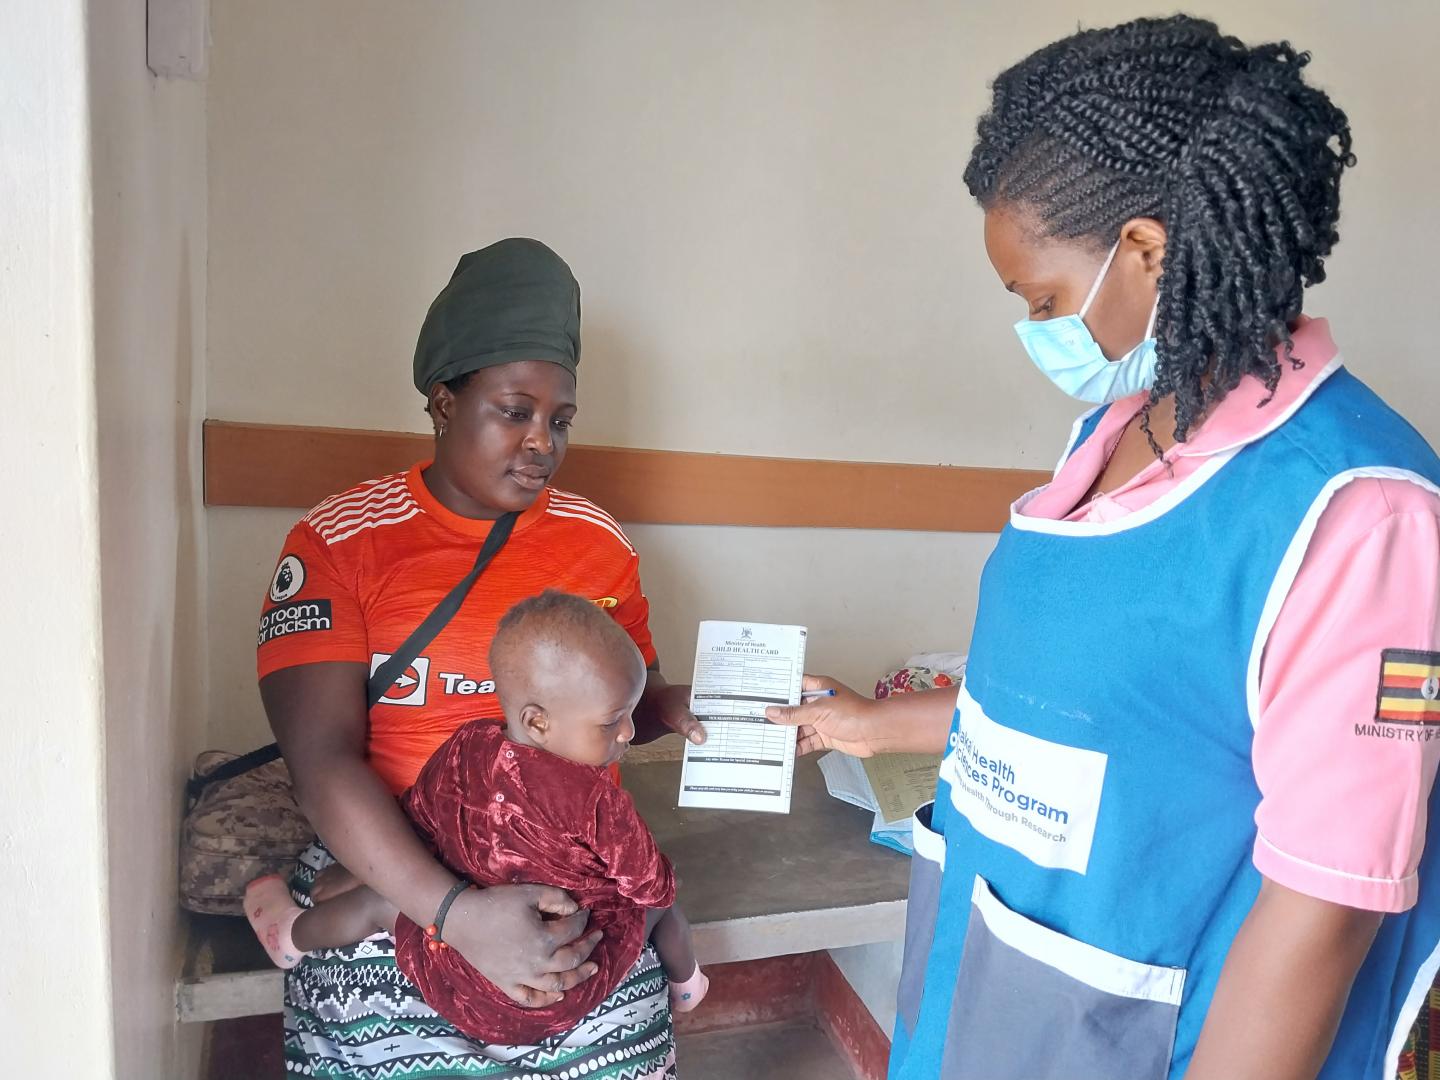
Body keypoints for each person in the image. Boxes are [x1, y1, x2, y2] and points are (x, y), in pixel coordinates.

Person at [770, 16, 1440, 1080]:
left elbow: (1324, 902)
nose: (1036, 331)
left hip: (1141, 1035)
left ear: (1145, 249)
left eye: (1041, 300)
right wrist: (872, 724)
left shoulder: (1360, 514)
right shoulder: (1119, 428)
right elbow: (1083, 708)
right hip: (989, 1000)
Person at [257, 238, 705, 1079]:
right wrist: (451, 912)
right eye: (514, 410)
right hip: (397, 862)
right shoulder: (341, 541)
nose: (541, 442)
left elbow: (613, 714)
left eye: (560, 420)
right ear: (442, 400)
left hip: (568, 864)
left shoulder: (596, 544)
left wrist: (674, 708)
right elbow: (319, 764)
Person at [246, 591, 709, 1051]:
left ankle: (289, 935)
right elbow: (650, 883)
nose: (629, 733)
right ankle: (687, 984)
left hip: (449, 968)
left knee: (380, 905)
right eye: (613, 722)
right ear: (539, 722)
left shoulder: (469, 745)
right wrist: (664, 880)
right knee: (661, 905)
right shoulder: (596, 802)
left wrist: (362, 870)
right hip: (549, 989)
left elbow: (419, 813)